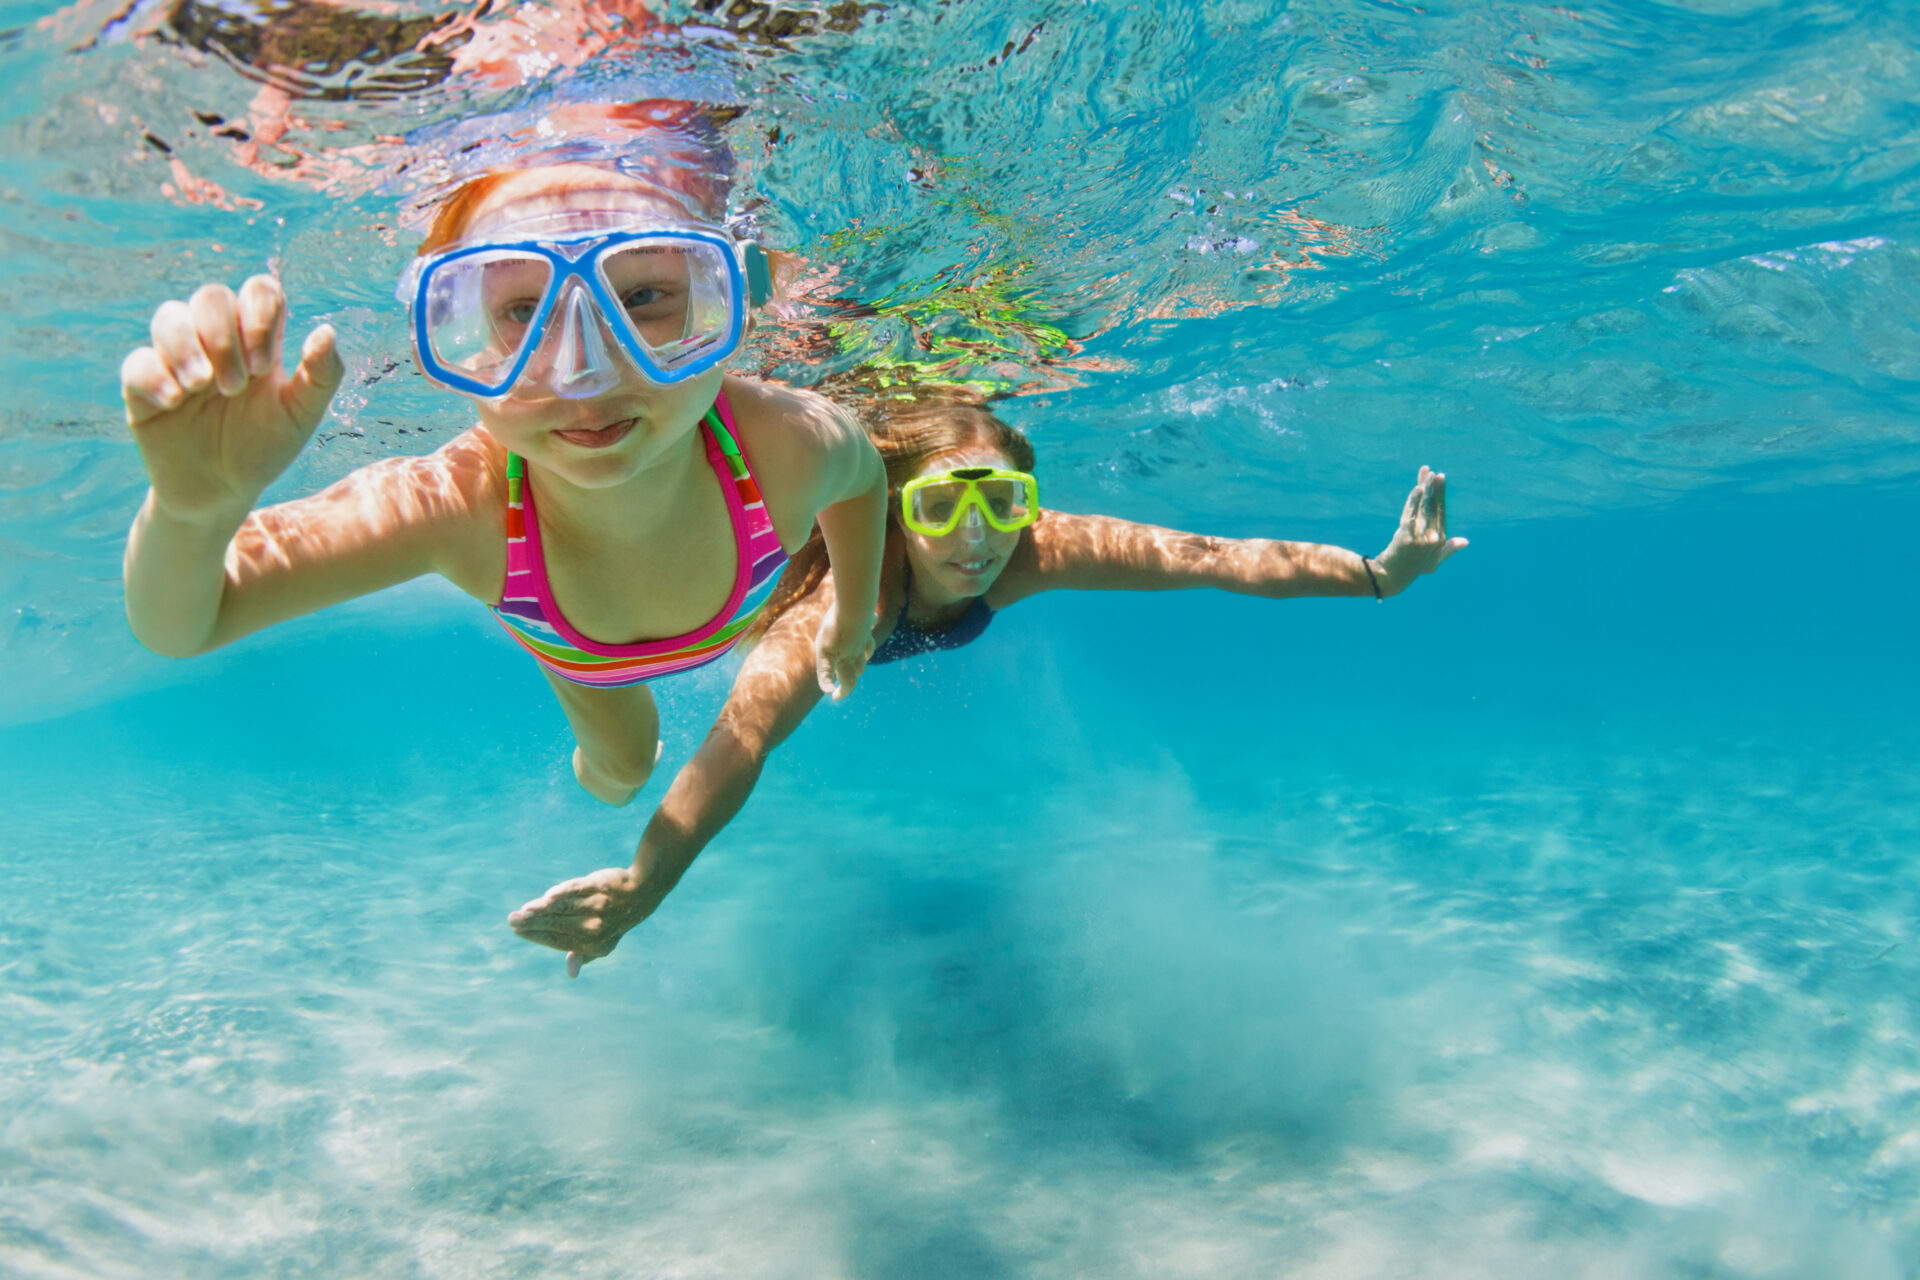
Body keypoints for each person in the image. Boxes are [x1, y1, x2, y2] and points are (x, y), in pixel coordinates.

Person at [509, 394, 1467, 974]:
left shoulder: (1032, 554)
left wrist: (1378, 574)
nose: (976, 539)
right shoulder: (852, 601)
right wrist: (643, 885)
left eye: (1003, 503)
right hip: (706, 601)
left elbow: (1213, 556)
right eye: (940, 506)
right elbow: (743, 736)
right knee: (625, 748)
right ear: (890, 508)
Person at [118, 152, 888, 807]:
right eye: (524, 311)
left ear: (723, 303)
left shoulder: (781, 444)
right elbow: (187, 623)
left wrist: (848, 624)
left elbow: (862, 485)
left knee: (623, 768)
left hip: (599, 624)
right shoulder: (458, 505)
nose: (583, 372)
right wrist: (193, 511)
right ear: (465, 333)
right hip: (583, 658)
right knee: (621, 772)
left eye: (645, 297)